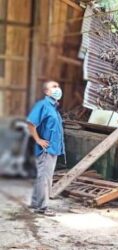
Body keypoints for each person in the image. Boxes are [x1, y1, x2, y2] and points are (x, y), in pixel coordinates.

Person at [27, 81, 65, 216]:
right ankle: (42, 207)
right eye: (54, 87)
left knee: (41, 177)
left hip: (53, 149)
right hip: (46, 150)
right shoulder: (43, 105)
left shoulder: (53, 107)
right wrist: (38, 140)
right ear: (46, 91)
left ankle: (35, 203)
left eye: (58, 86)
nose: (58, 89)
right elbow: (31, 123)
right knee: (45, 178)